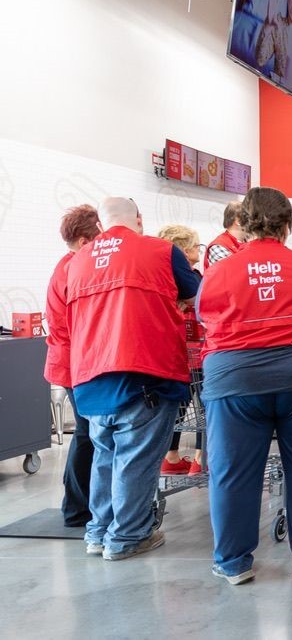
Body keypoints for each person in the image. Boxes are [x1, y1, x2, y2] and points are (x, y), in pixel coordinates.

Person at [197, 187, 292, 585]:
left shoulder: (218, 272)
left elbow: (204, 317)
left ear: (242, 223)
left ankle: (233, 563)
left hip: (236, 379)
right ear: (288, 224)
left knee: (232, 471)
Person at [67, 198, 199, 560]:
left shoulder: (77, 260)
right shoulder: (162, 251)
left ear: (100, 224)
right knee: (135, 458)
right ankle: (128, 537)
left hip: (90, 374)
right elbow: (194, 295)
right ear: (139, 220)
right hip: (144, 369)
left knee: (105, 454)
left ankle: (97, 534)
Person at [44, 204, 100, 528]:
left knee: (87, 433)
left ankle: (77, 505)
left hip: (73, 361)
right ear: (82, 240)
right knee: (87, 434)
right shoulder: (73, 269)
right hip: (73, 362)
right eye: (97, 238)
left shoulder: (69, 265)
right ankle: (77, 509)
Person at [157, 224, 205, 476]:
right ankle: (200, 458)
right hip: (198, 350)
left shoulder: (159, 276)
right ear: (185, 250)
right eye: (197, 246)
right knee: (205, 405)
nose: (200, 251)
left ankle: (171, 457)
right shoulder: (192, 277)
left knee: (179, 405)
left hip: (173, 350)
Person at [204, 200, 245, 272]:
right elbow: (229, 275)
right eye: (250, 219)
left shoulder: (248, 242)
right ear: (238, 221)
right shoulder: (218, 246)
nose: (254, 222)